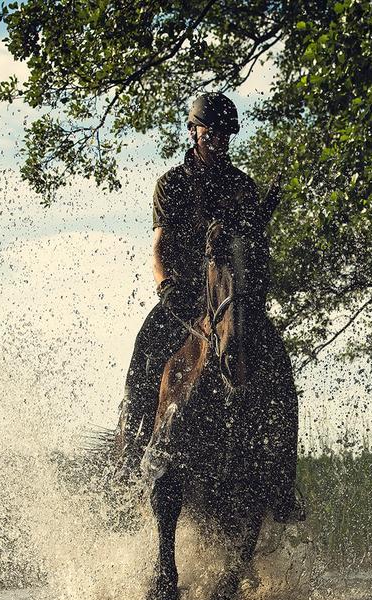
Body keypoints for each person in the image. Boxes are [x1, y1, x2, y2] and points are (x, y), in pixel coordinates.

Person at [112, 92, 276, 476]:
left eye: (224, 134)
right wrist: (164, 285)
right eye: (210, 133)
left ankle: (279, 476)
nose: (218, 141)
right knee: (147, 351)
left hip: (230, 300)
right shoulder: (171, 185)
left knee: (276, 367)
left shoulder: (242, 187)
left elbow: (253, 251)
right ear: (193, 132)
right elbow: (159, 247)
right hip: (183, 297)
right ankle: (132, 452)